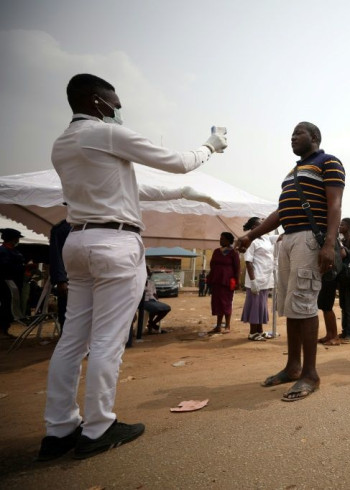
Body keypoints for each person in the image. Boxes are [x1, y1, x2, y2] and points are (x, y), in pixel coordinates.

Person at [39, 73, 227, 461]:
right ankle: (99, 426)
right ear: (95, 102)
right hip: (114, 243)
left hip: (77, 241)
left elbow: (128, 186)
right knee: (108, 339)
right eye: (115, 103)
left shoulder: (62, 145)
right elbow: (178, 162)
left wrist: (181, 193)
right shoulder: (104, 133)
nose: (119, 110)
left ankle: (58, 430)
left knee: (73, 338)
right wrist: (211, 145)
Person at [238, 121, 344, 402]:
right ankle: (293, 366)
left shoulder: (328, 162)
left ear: (315, 137)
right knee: (291, 305)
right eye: (292, 134)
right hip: (288, 239)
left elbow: (334, 204)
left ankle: (311, 374)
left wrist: (330, 244)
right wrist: (251, 236)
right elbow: (281, 211)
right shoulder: (292, 173)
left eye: (299, 133)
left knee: (305, 304)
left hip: (311, 239)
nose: (293, 138)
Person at [318, 217, 350, 345]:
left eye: (342, 225)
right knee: (344, 305)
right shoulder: (342, 240)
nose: (340, 227)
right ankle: (345, 332)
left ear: (349, 227)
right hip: (343, 277)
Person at [241, 217, 275, 341]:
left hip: (265, 278)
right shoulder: (251, 241)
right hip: (255, 278)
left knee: (261, 306)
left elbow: (280, 237)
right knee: (255, 306)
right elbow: (248, 262)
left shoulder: (265, 239)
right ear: (254, 228)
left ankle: (260, 331)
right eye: (261, 225)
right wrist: (253, 281)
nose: (264, 227)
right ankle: (252, 333)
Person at [207, 232, 240, 334]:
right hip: (216, 280)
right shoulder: (216, 251)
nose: (220, 240)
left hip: (227, 282)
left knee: (226, 302)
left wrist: (237, 282)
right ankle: (218, 326)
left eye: (222, 239)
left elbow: (237, 268)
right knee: (217, 303)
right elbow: (212, 265)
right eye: (220, 238)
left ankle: (227, 326)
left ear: (228, 240)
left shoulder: (233, 252)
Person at [0, 228, 25, 339]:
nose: (18, 240)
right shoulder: (2, 251)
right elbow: (6, 267)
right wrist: (23, 267)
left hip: (13, 284)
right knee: (5, 306)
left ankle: (4, 329)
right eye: (17, 238)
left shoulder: (14, 251)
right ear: (13, 239)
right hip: (4, 284)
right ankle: (2, 330)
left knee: (9, 307)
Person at [142, 267, 171, 334]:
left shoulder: (151, 283)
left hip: (153, 300)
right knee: (154, 309)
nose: (146, 275)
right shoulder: (139, 283)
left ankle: (152, 323)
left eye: (147, 273)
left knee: (166, 308)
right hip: (144, 301)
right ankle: (152, 325)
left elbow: (154, 293)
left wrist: (157, 300)